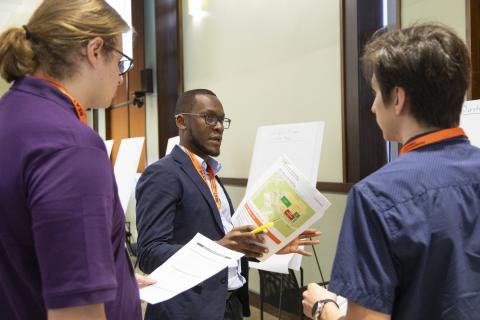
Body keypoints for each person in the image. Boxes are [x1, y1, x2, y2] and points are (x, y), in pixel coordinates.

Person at [302, 23, 480, 320]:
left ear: (397, 98)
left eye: (374, 93)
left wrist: (323, 308)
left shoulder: (375, 196)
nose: (372, 107)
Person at [0, 1, 154, 319]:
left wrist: (116, 281)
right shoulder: (71, 147)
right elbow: (77, 312)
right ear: (95, 50)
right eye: (121, 62)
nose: (122, 78)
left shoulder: (11, 117)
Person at [136, 89, 319, 320]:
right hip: (186, 312)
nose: (219, 127)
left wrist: (272, 245)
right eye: (209, 117)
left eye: (222, 120)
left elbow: (227, 245)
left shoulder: (209, 173)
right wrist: (220, 246)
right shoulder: (163, 174)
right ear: (182, 121)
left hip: (228, 306)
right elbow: (149, 253)